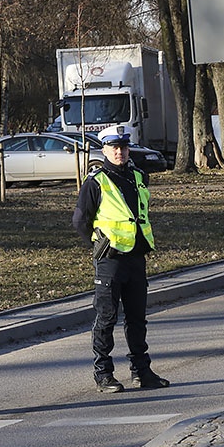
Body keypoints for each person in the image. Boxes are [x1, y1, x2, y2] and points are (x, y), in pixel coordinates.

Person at [72, 125, 170, 393]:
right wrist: (98, 243)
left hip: (136, 257)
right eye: (114, 147)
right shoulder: (96, 181)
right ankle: (103, 374)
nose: (119, 151)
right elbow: (80, 220)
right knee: (106, 317)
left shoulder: (139, 177)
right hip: (110, 259)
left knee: (137, 319)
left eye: (123, 147)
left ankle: (142, 371)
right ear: (104, 150)